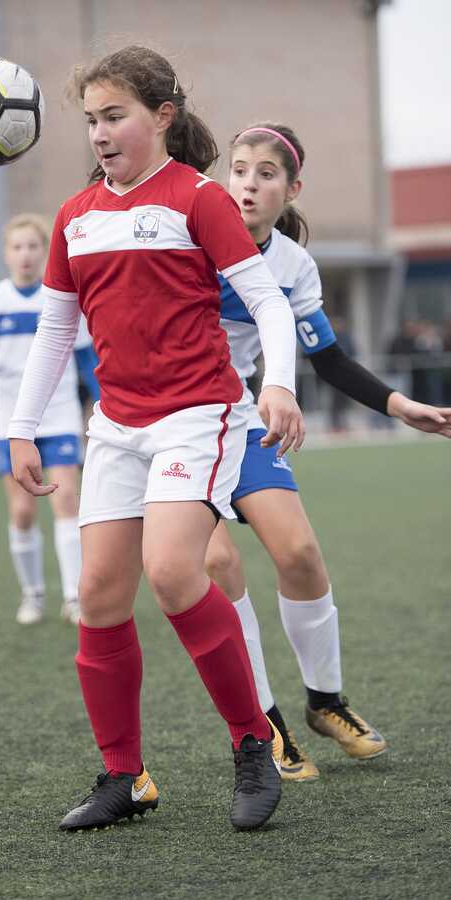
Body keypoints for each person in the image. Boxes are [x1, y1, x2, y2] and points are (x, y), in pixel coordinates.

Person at [8, 46, 305, 833]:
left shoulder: (198, 199)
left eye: (115, 116)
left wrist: (277, 383)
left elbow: (268, 304)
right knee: (99, 596)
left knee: (172, 572)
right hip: (116, 425)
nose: (100, 133)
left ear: (162, 116)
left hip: (197, 416)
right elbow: (54, 332)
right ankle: (124, 777)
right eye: (91, 120)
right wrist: (21, 428)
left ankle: (252, 743)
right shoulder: (75, 216)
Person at [205, 123, 451, 781]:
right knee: (217, 564)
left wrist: (400, 406)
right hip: (171, 426)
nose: (247, 184)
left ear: (291, 190)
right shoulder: (190, 233)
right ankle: (261, 724)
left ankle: (325, 702)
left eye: (265, 174)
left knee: (300, 554)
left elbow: (330, 360)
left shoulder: (292, 265)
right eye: (238, 169)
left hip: (239, 421)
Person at [0, 213, 97, 626]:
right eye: (17, 247)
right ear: (6, 254)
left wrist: (103, 399)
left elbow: (87, 357)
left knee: (66, 500)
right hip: (11, 422)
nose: (26, 255)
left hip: (60, 416)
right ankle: (32, 594)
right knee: (22, 511)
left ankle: (74, 597)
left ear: (45, 252)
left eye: (33, 246)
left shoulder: (61, 298)